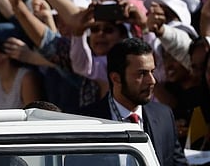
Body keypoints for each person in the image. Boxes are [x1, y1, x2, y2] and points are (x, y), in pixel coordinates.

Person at [77, 37, 188, 166]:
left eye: (152, 72)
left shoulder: (164, 116)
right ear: (116, 78)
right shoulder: (87, 122)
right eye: (141, 74)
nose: (152, 81)